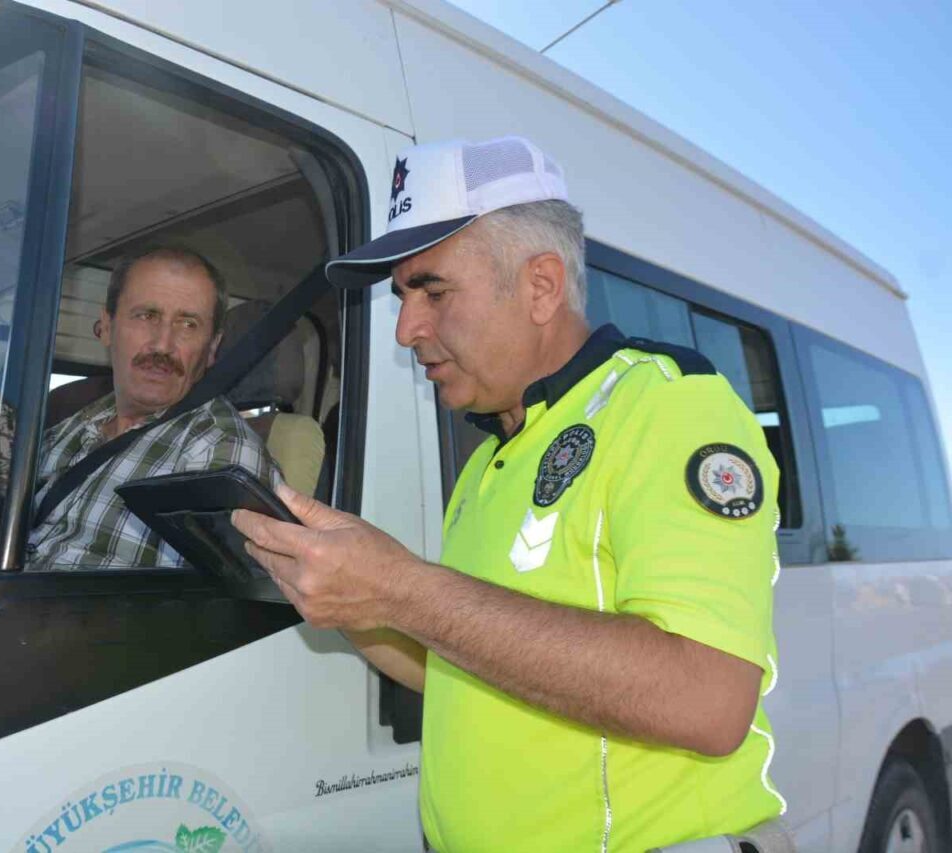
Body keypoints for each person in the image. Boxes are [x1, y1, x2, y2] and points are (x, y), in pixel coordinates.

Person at [232, 137, 786, 852]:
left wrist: (404, 588)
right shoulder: (495, 454)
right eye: (402, 295)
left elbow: (708, 698)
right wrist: (343, 594)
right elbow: (464, 658)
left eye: (432, 290)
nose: (406, 329)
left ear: (542, 286)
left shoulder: (667, 407)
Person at [29, 246, 280, 570]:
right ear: (106, 326)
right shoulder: (76, 421)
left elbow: (208, 613)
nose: (163, 344)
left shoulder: (220, 453)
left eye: (188, 324)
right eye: (146, 316)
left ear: (212, 347)